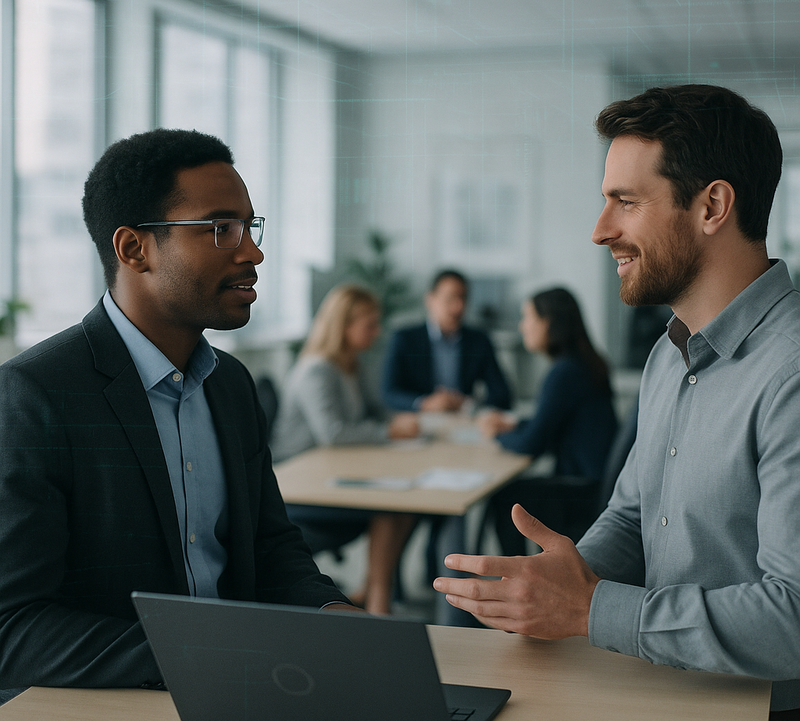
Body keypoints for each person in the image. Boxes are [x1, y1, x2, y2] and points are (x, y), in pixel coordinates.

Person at [433, 84, 800, 716]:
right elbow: (633, 517)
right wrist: (553, 584)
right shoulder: (668, 354)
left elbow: (792, 618)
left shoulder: (790, 372)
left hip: (754, 706)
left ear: (712, 205)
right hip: (656, 680)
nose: (601, 231)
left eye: (625, 202)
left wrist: (591, 608)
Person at [0, 129, 353, 701]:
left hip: (252, 690)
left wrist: (330, 612)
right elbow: (13, 629)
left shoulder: (230, 385)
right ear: (135, 249)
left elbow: (268, 547)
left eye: (249, 226)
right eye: (220, 229)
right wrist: (215, 658)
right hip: (121, 702)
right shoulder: (35, 394)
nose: (252, 252)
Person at [270, 284, 420, 615]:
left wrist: (401, 420)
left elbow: (375, 410)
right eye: (369, 324)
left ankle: (370, 589)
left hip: (333, 476)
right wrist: (390, 431)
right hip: (301, 486)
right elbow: (334, 433)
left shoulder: (351, 364)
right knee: (388, 507)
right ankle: (380, 607)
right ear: (343, 325)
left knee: (406, 505)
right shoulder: (316, 369)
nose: (376, 332)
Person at [478, 287, 618, 552]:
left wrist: (496, 435)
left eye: (528, 317)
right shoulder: (582, 363)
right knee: (512, 491)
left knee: (507, 497)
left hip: (582, 491)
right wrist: (514, 425)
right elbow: (553, 423)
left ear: (549, 322)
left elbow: (533, 443)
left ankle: (517, 579)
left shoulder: (563, 373)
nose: (523, 327)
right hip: (596, 483)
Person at [382, 269, 512, 412]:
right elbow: (389, 392)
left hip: (465, 421)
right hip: (419, 420)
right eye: (450, 298)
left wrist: (467, 404)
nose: (458, 307)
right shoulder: (405, 339)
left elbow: (503, 395)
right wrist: (424, 403)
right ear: (430, 300)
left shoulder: (479, 341)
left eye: (463, 298)